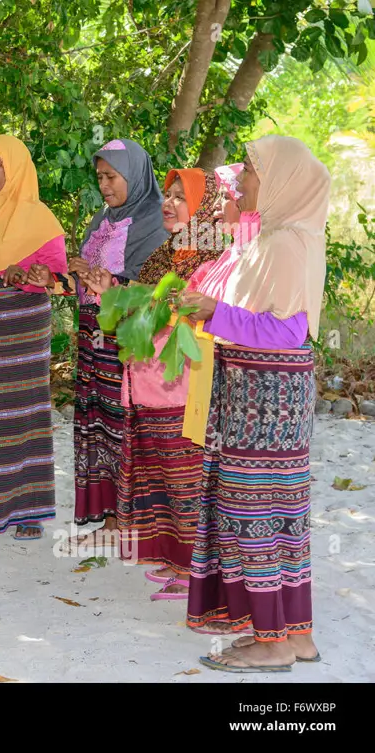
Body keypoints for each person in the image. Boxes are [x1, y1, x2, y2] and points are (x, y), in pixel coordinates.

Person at [179, 135, 327, 672]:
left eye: (254, 173)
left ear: (284, 180)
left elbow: (288, 330)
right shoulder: (289, 237)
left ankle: (271, 643)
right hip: (268, 390)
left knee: (252, 514)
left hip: (264, 395)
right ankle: (297, 634)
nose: (242, 182)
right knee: (284, 517)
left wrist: (212, 311)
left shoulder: (284, 244)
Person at [80, 168, 223, 598]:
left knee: (186, 476)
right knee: (159, 473)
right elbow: (144, 299)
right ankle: (175, 559)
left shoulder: (212, 257)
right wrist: (112, 288)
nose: (170, 202)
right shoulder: (169, 252)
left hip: (182, 383)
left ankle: (195, 569)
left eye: (182, 197)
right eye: (170, 193)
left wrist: (129, 295)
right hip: (148, 382)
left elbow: (178, 310)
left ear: (204, 208)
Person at [65, 139, 169, 550]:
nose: (104, 186)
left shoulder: (154, 224)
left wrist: (110, 283)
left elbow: (155, 290)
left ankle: (133, 521)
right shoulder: (102, 220)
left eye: (111, 177)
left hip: (125, 339)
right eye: (99, 177)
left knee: (125, 424)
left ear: (135, 175)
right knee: (98, 422)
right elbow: (90, 280)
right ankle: (110, 519)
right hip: (94, 335)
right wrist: (72, 275)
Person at [0, 134, 67, 541]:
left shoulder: (39, 217)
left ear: (16, 169)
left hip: (22, 319)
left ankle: (27, 509)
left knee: (21, 408)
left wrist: (29, 274)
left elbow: (57, 276)